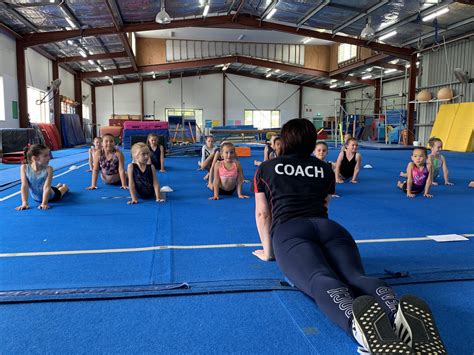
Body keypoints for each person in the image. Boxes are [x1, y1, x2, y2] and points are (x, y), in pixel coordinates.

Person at [252, 118, 446, 354]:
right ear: (313, 142)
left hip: (290, 231)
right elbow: (325, 203)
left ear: (284, 140)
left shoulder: (267, 168)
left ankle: (358, 327)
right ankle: (395, 309)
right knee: (356, 275)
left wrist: (268, 252)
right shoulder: (324, 168)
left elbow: (263, 213)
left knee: (319, 277)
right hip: (330, 229)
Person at [16, 144, 69, 211]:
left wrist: (44, 203)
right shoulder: (24, 168)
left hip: (51, 197)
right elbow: (24, 185)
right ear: (35, 158)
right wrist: (24, 203)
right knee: (51, 187)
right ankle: (57, 186)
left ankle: (64, 187)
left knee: (62, 190)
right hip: (36, 198)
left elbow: (46, 187)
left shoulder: (49, 169)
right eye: (45, 156)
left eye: (48, 155)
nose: (49, 157)